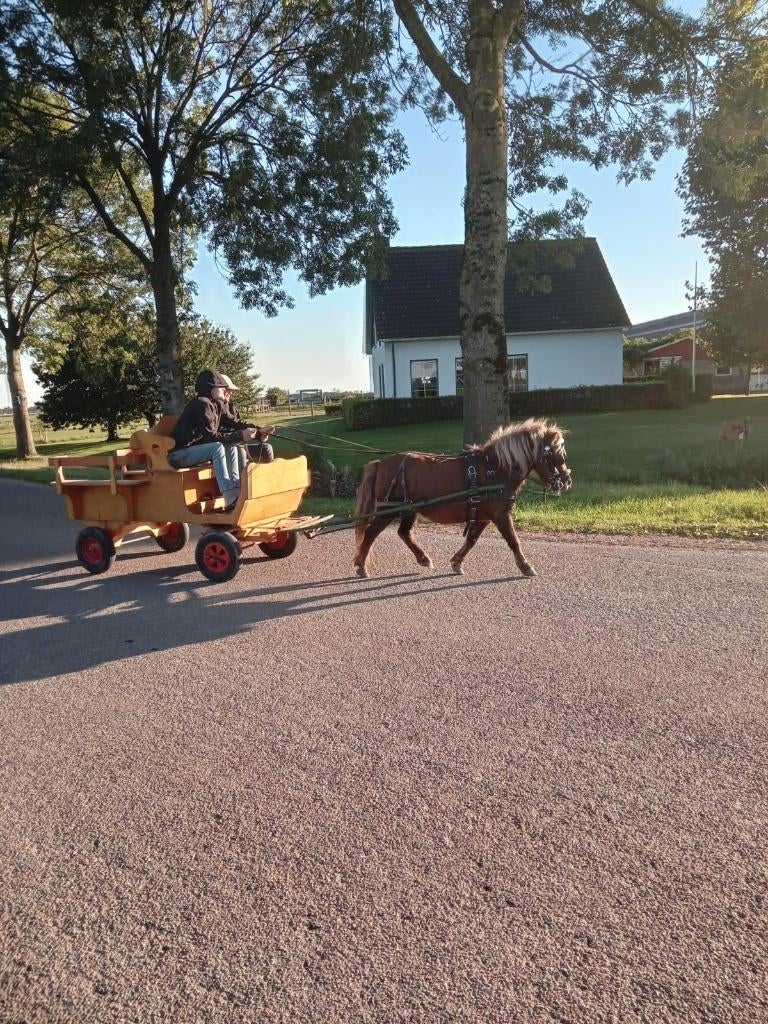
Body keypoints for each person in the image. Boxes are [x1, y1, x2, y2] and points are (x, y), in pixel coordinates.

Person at [168, 370, 275, 510]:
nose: (226, 390)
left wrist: (259, 431)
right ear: (210, 387)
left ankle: (238, 492)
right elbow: (211, 437)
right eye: (221, 386)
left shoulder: (216, 404)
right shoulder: (201, 404)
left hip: (195, 452)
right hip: (179, 454)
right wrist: (241, 435)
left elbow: (235, 423)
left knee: (231, 445)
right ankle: (230, 497)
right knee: (217, 447)